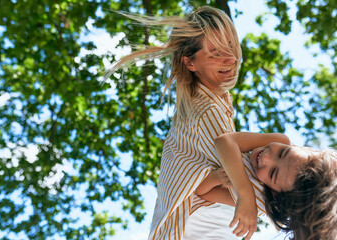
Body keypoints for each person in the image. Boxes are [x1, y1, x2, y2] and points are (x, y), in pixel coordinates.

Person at [107, 6, 267, 240]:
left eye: (231, 46)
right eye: (215, 52)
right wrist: (250, 197)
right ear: (190, 63)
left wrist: (243, 194)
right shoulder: (206, 110)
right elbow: (253, 179)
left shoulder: (201, 108)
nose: (231, 58)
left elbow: (201, 188)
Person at [197, 132, 337, 240]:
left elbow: (203, 193)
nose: (266, 158)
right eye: (283, 153)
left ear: (276, 193)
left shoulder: (258, 198)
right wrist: (245, 195)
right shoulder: (282, 140)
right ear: (297, 147)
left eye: (272, 173)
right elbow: (224, 140)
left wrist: (215, 178)